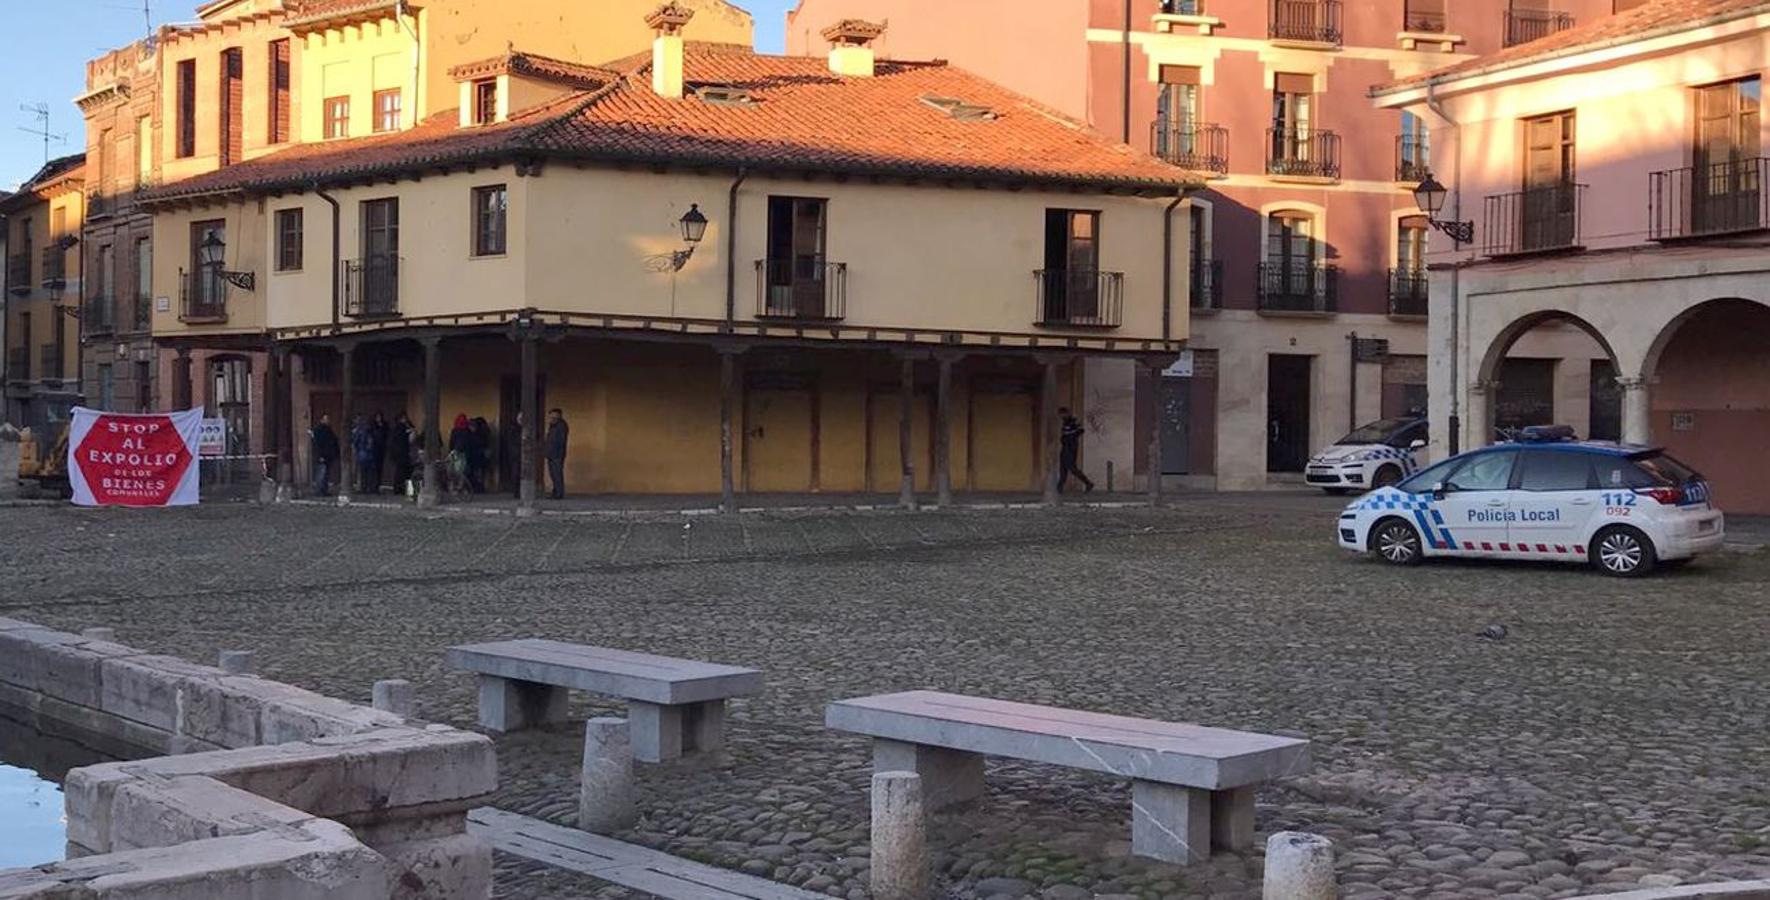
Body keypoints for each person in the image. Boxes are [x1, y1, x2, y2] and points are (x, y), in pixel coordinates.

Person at [1057, 407, 1094, 493]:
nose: (1061, 416)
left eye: (1062, 414)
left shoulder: (1072, 421)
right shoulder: (1066, 422)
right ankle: (1059, 487)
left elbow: (1080, 430)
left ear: (1065, 413)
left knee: (1072, 468)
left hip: (1070, 448)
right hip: (1066, 447)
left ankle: (1088, 483)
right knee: (1063, 467)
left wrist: (1072, 436)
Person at [309, 414, 340, 496]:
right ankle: (319, 491)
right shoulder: (318, 431)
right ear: (321, 420)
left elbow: (333, 442)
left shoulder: (329, 430)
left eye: (328, 419)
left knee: (326, 474)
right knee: (321, 473)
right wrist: (320, 456)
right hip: (322, 456)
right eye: (325, 419)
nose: (327, 421)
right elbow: (318, 444)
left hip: (328, 456)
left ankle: (324, 490)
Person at [544, 408, 569, 500]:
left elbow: (560, 441)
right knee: (553, 474)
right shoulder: (553, 425)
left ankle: (559, 493)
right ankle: (555, 492)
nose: (551, 417)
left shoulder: (561, 426)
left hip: (557, 454)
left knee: (557, 474)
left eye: (553, 415)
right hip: (551, 453)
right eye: (551, 416)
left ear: (559, 415)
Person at [350, 415, 376, 496]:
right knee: (368, 472)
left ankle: (362, 488)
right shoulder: (370, 432)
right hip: (369, 454)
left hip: (361, 453)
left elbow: (355, 442)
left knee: (361, 472)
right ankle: (369, 487)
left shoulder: (359, 431)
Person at [388, 412, 413, 495]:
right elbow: (407, 439)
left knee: (399, 472)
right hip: (403, 453)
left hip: (398, 454)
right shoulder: (402, 428)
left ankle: (398, 489)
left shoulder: (395, 429)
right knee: (403, 473)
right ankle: (402, 490)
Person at [468, 416, 492, 494]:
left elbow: (474, 446)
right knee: (480, 474)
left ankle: (478, 488)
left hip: (476, 457)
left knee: (477, 474)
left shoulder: (476, 435)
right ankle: (480, 488)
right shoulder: (485, 432)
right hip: (481, 457)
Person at [367, 412, 389, 495]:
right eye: (377, 417)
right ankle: (372, 486)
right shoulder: (372, 427)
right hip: (373, 450)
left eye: (380, 417)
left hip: (381, 450)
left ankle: (377, 485)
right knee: (373, 469)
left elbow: (386, 435)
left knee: (379, 469)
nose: (379, 419)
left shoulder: (384, 426)